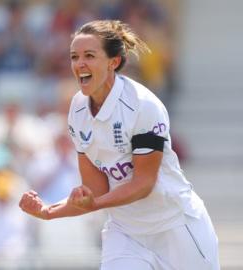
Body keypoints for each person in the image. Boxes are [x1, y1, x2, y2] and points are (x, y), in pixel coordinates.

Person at [19, 20, 219, 270]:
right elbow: (95, 191)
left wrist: (94, 204)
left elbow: (143, 184)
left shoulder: (143, 105)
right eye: (74, 56)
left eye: (89, 55)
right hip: (126, 234)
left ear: (113, 62)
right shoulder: (77, 109)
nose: (79, 64)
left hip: (176, 227)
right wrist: (48, 211)